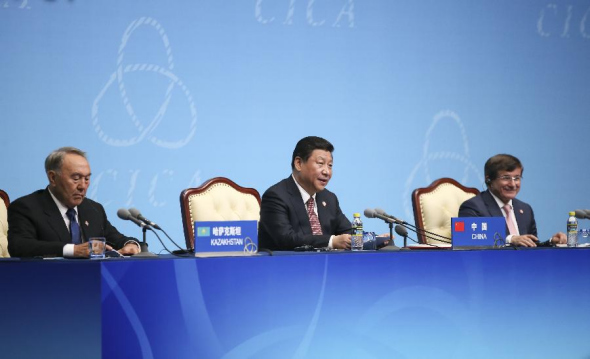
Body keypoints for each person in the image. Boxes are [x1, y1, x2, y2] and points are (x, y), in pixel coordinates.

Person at [7, 147, 141, 258]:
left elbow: (116, 239)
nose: (83, 186)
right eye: (76, 178)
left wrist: (131, 245)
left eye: (87, 179)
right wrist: (73, 250)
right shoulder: (27, 207)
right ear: (53, 178)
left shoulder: (93, 209)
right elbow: (20, 246)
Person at [258, 136, 352, 250]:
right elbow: (286, 239)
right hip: (288, 265)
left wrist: (375, 240)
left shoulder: (329, 198)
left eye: (330, 165)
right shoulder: (276, 196)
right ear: (299, 163)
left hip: (326, 265)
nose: (326, 171)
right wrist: (332, 241)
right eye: (320, 163)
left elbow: (349, 232)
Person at [458, 154, 566, 247]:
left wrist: (551, 242)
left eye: (517, 178)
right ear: (489, 180)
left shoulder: (525, 209)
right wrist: (510, 239)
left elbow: (531, 246)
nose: (513, 184)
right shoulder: (473, 207)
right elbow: (470, 242)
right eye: (506, 178)